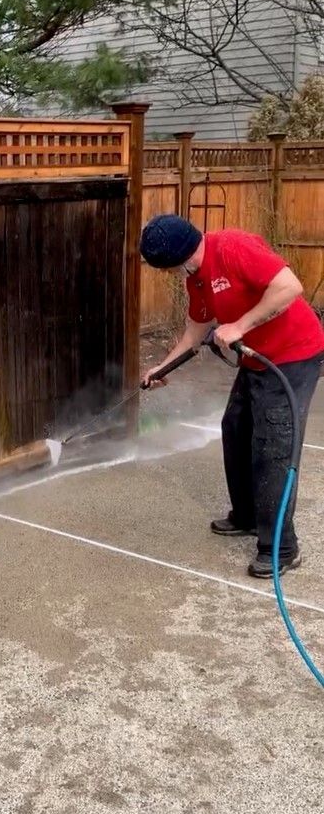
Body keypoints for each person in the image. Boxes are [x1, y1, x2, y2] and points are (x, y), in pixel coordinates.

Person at [139, 214, 324, 578]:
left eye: (170, 267)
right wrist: (162, 369)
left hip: (293, 355)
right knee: (236, 429)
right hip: (257, 361)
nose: (172, 274)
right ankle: (247, 516)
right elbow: (194, 334)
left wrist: (240, 325)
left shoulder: (235, 247)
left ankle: (282, 548)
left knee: (274, 447)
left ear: (182, 255)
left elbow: (290, 287)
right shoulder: (196, 279)